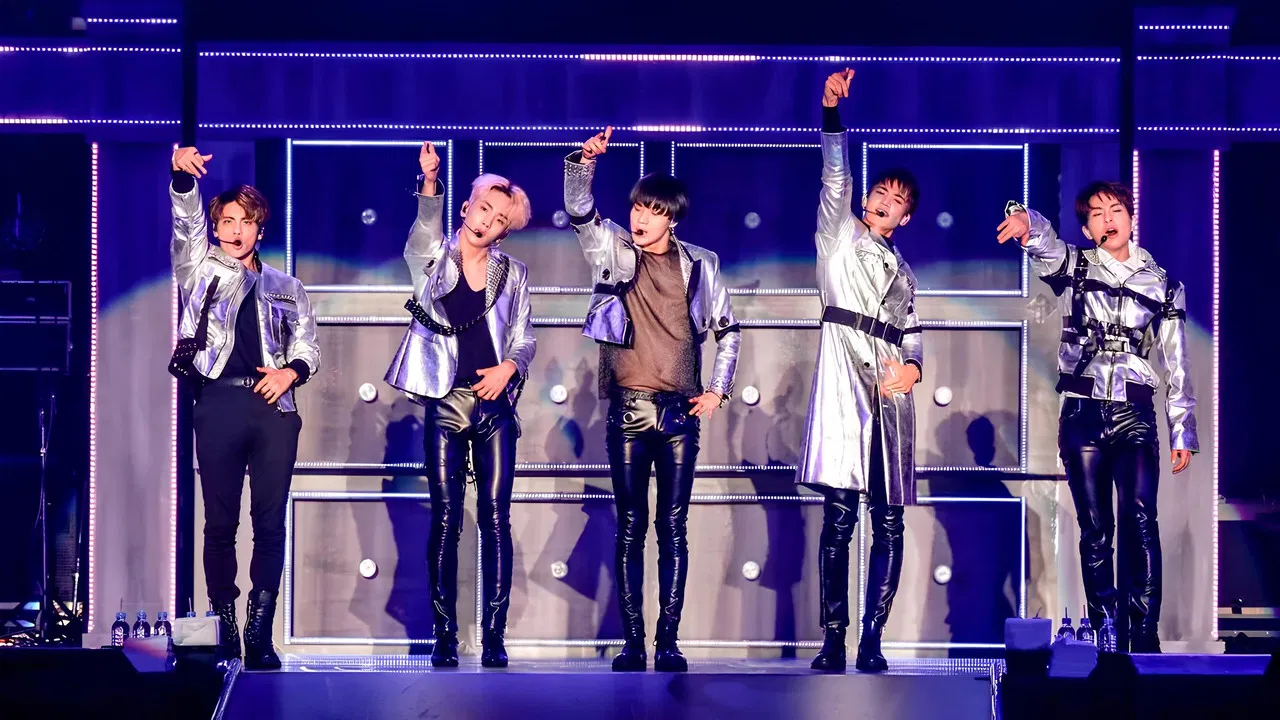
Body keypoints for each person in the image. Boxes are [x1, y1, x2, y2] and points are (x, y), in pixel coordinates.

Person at [564, 127, 741, 672]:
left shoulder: (701, 264)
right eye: (638, 207)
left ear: (672, 219)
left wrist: (717, 391)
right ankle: (633, 642)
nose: (641, 218)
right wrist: (584, 163)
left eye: (653, 211)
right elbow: (580, 211)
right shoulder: (614, 248)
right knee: (630, 527)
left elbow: (728, 330)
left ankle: (668, 641)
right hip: (629, 408)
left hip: (680, 413)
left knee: (673, 528)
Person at [997, 181, 1196, 653]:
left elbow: (1177, 361)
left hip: (1134, 413)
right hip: (1083, 414)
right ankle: (1106, 633)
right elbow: (1045, 244)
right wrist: (1027, 223)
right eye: (1098, 213)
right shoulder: (1076, 266)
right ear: (1087, 228)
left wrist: (1181, 430)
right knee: (1095, 528)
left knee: (1141, 518)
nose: (1109, 218)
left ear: (1131, 217)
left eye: (1116, 209)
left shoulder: (1165, 285)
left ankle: (1143, 636)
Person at [384, 142, 536, 668]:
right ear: (467, 207)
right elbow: (424, 232)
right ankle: (445, 635)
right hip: (446, 400)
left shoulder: (512, 273)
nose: (487, 221)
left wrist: (509, 368)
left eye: (499, 220)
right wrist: (429, 183)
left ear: (504, 231)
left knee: (496, 519)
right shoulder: (433, 258)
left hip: (495, 405)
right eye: (483, 209)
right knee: (446, 519)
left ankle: (494, 635)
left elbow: (525, 336)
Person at [169, 146, 321, 670]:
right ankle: (225, 626)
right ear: (216, 229)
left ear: (260, 228)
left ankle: (259, 631)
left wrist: (289, 374)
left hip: (274, 409)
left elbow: (309, 347)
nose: (236, 231)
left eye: (246, 222)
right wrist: (182, 180)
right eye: (227, 222)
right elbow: (186, 227)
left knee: (270, 523)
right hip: (218, 401)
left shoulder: (288, 287)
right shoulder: (199, 268)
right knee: (219, 524)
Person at [796, 69, 925, 673]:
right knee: (840, 517)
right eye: (880, 192)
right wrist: (831, 115)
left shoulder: (906, 273)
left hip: (890, 393)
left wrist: (914, 369)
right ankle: (833, 637)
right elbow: (834, 178)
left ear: (905, 218)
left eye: (896, 201)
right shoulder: (839, 235)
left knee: (889, 520)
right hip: (845, 379)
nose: (883, 202)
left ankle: (874, 636)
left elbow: (912, 330)